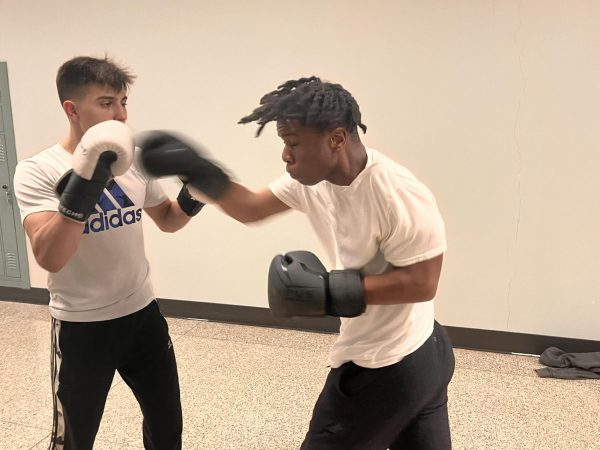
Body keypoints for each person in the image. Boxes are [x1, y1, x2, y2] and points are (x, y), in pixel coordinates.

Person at [138, 76, 455, 449]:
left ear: (336, 139)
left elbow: (422, 282)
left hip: (384, 365)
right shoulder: (312, 182)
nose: (286, 155)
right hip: (425, 352)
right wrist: (199, 171)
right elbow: (251, 208)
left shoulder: (395, 191)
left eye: (292, 144)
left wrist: (327, 293)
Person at [13, 56, 203, 450]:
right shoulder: (38, 170)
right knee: (75, 439)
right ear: (72, 109)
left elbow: (167, 220)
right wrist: (84, 184)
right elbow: (50, 257)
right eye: (106, 103)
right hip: (82, 325)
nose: (120, 113)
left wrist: (196, 192)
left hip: (142, 315)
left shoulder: (131, 162)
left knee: (167, 425)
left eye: (123, 102)